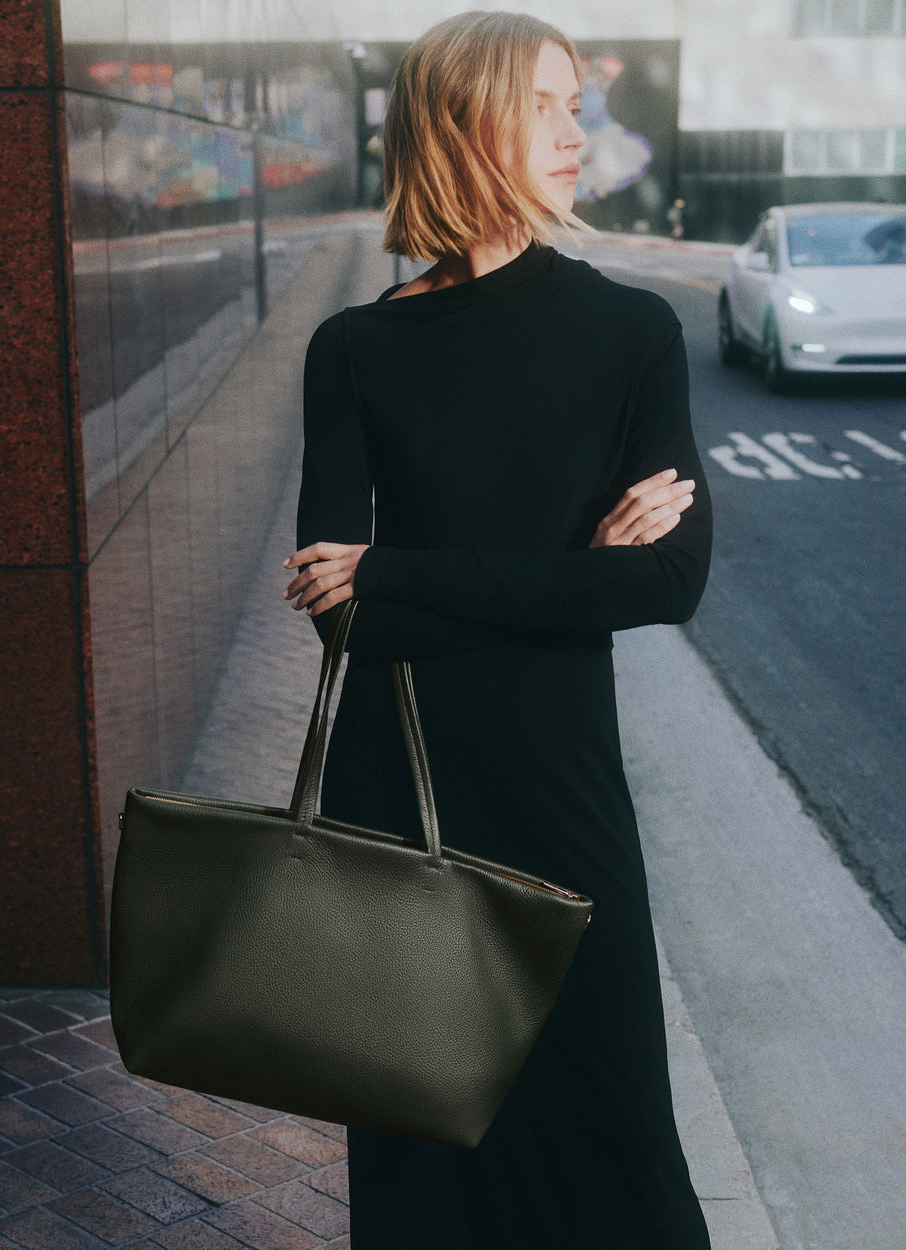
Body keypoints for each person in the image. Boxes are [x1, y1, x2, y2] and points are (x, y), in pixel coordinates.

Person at [283, 11, 712, 1248]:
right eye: (543, 105)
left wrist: (400, 572)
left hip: (560, 785)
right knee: (421, 1137)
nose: (577, 133)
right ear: (461, 120)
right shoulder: (354, 347)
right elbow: (338, 614)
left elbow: (666, 582)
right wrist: (567, 577)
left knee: (616, 1131)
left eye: (579, 105)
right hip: (398, 782)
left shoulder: (632, 334)